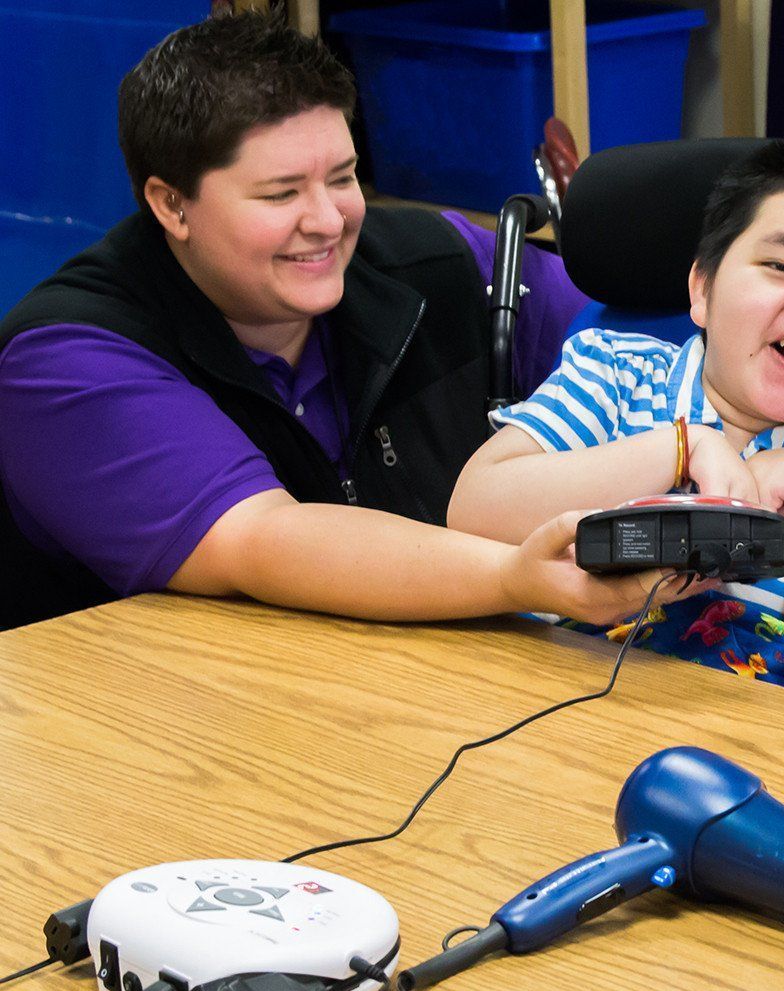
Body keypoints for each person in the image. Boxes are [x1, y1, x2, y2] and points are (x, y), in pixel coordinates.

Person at [0, 11, 710, 632]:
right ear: (171, 204)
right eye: (280, 194)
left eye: (342, 177)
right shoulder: (67, 360)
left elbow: (664, 362)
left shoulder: (448, 267)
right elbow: (262, 539)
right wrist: (514, 579)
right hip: (154, 741)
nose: (329, 220)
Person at [448, 134, 784, 698]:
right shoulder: (616, 376)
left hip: (756, 744)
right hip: (560, 699)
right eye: (781, 266)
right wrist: (681, 446)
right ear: (702, 289)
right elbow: (472, 512)